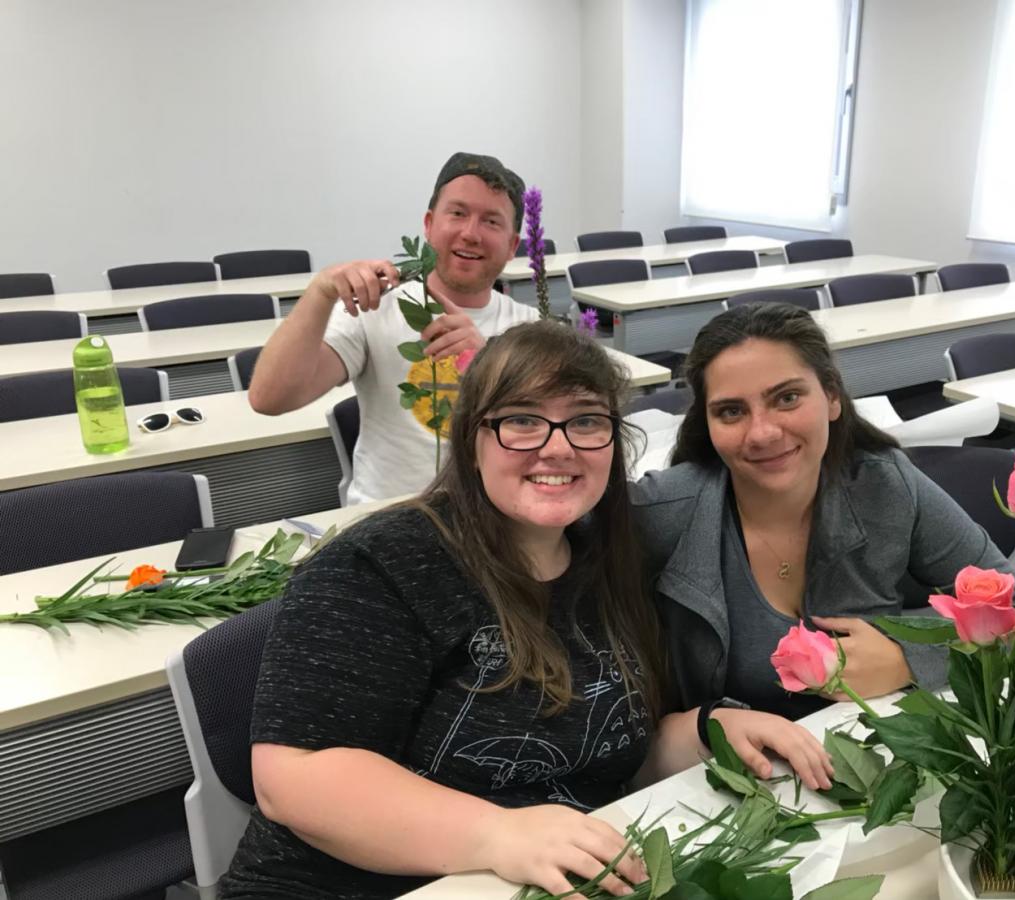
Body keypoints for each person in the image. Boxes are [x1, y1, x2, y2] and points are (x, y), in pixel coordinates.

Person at [220, 321, 833, 900]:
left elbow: (610, 748)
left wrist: (706, 729)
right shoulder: (383, 563)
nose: (557, 448)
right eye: (521, 421)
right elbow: (294, 779)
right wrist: (498, 834)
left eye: (586, 422)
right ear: (472, 439)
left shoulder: (609, 560)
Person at [632, 303, 1015, 728]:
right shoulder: (666, 509)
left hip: (870, 752)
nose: (763, 432)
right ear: (706, 422)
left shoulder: (885, 484)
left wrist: (908, 662)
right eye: (731, 411)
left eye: (787, 398)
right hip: (720, 779)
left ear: (832, 396)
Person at [248, 151, 538, 503]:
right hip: (385, 523)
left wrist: (487, 366)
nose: (470, 233)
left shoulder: (529, 329)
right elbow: (270, 398)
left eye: (491, 221)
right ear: (429, 224)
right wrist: (320, 292)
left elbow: (541, 438)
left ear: (511, 246)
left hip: (492, 521)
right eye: (458, 213)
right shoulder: (374, 310)